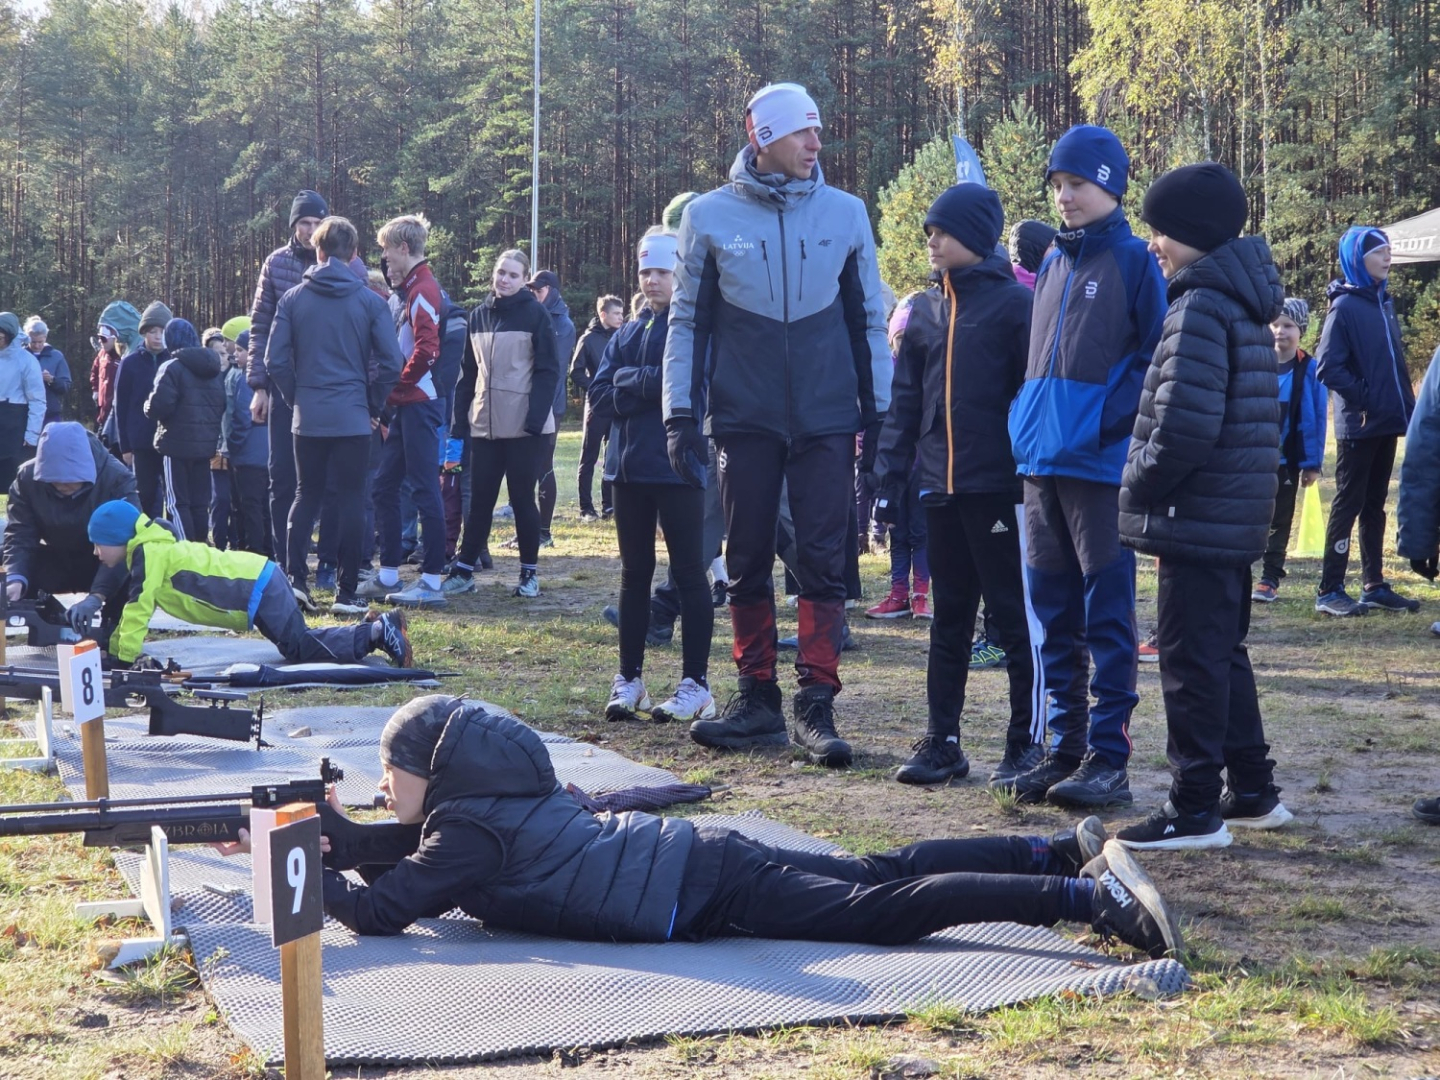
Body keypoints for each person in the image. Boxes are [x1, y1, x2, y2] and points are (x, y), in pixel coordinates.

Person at [210, 695, 1182, 961]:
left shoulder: (466, 834)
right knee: (874, 865)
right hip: (700, 866)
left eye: (393, 773)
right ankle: (1053, 849)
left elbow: (386, 912)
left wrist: (283, 860)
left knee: (883, 911)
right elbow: (409, 857)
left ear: (441, 775)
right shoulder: (487, 807)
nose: (384, 787)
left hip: (700, 892)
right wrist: (329, 829)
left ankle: (1089, 901)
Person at [663, 82, 891, 768]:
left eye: (817, 133)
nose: (816, 145)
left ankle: (815, 704)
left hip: (825, 416)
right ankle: (756, 698)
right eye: (802, 134)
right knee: (747, 556)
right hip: (744, 417)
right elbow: (687, 324)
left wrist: (878, 415)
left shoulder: (848, 213)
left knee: (824, 560)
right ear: (763, 138)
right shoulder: (706, 216)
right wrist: (679, 413)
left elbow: (867, 320)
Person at [1113, 162, 1293, 849]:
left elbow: (1182, 426)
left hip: (1195, 515)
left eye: (1162, 230)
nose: (1153, 242)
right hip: (1228, 515)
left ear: (1193, 233)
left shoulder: (1199, 307)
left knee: (1190, 660)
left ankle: (1194, 809)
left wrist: (1137, 483)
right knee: (1223, 653)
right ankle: (1251, 790)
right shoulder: (1238, 302)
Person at [1005, 125, 1167, 809]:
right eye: (1059, 185)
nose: (1066, 197)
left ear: (1112, 185)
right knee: (1053, 614)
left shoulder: (1135, 261)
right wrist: (1024, 418)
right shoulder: (1051, 264)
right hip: (1040, 464)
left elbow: (1157, 358)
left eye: (1079, 183)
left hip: (1099, 469)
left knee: (1106, 616)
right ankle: (1064, 749)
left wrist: (1110, 423)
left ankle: (1108, 759)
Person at [876, 184, 1041, 788]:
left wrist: (1029, 479)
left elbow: (1033, 400)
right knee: (949, 619)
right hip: (938, 491)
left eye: (941, 231)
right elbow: (903, 405)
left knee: (1012, 618)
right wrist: (889, 482)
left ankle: (1026, 742)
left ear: (974, 236)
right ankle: (943, 742)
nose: (931, 241)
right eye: (928, 232)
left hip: (999, 490)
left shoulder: (1015, 308)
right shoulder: (922, 310)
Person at [588, 228, 715, 724]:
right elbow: (599, 396)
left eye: (662, 270)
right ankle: (630, 679)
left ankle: (696, 683)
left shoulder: (693, 327)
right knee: (634, 573)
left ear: (680, 272)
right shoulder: (627, 330)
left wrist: (629, 381)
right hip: (627, 468)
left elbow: (685, 384)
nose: (653, 280)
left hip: (678, 465)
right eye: (646, 271)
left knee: (687, 573)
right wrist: (638, 384)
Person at [264, 216, 404, 615]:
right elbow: (392, 362)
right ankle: (346, 591)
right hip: (354, 417)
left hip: (308, 415)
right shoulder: (370, 301)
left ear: (318, 251)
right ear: (355, 254)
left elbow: (275, 361)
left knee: (304, 494)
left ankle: (296, 581)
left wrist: (297, 399)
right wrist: (372, 404)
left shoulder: (292, 299)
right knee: (351, 499)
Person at [88, 499, 413, 670]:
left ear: (119, 538)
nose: (96, 551)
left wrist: (124, 658)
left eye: (99, 543)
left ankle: (376, 633)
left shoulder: (149, 553)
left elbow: (138, 608)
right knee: (298, 642)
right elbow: (130, 606)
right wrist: (112, 648)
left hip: (257, 588)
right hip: (259, 579)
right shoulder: (151, 548)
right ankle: (372, 628)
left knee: (299, 648)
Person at [246, 189, 367, 574]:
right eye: (304, 222)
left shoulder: (352, 267)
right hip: (286, 389)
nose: (310, 229)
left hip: (335, 391)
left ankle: (329, 562)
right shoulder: (276, 263)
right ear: (294, 225)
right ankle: (286, 565)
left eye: (316, 222)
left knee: (334, 484)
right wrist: (260, 386)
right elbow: (260, 326)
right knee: (283, 479)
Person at [1314, 226, 1419, 616]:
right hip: (1358, 423)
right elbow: (1328, 368)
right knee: (1349, 502)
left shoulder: (1383, 302)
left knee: (1375, 504)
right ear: (1359, 259)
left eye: (1389, 250)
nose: (1387, 256)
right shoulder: (1344, 307)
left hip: (1387, 420)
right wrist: (1367, 398)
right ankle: (1329, 590)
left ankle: (1373, 584)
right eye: (1378, 251)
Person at [444, 249, 560, 599]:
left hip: (525, 427)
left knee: (523, 499)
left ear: (524, 278)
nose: (504, 279)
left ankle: (529, 574)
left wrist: (535, 419)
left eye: (512, 274)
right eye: (500, 273)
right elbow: (468, 377)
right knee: (479, 500)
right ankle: (464, 570)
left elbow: (548, 371)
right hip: (485, 425)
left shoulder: (536, 315)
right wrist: (457, 429)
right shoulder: (477, 317)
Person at [356, 214, 449, 609]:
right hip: (409, 406)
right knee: (384, 485)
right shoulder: (413, 288)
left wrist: (395, 389)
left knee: (426, 489)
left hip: (420, 406)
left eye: (387, 251)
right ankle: (390, 573)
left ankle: (431, 581)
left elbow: (428, 350)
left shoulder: (423, 288)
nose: (384, 260)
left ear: (404, 249)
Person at [3, 423, 141, 632]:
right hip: (56, 559)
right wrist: (15, 579)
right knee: (8, 562)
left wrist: (97, 597)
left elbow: (129, 540)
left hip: (103, 561)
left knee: (136, 560)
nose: (63, 484)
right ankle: (42, 618)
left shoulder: (117, 478)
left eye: (71, 479)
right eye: (55, 480)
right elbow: (20, 534)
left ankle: (115, 628)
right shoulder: (26, 478)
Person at [1253, 299, 1325, 602]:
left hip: (1286, 460)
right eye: (1275, 325)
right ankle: (1239, 568)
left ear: (1301, 330)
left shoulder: (1310, 369)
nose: (1280, 331)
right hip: (1253, 458)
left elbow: (1316, 419)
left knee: (1279, 519)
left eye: (1288, 325)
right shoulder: (1255, 363)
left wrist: (1311, 463)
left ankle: (1270, 577)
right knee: (1249, 515)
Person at [866, 297, 930, 622]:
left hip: (923, 465)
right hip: (895, 468)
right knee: (897, 531)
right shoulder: (886, 374)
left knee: (920, 532)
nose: (905, 347)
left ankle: (921, 594)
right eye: (899, 340)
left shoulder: (928, 372)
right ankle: (898, 593)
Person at [145, 319, 225, 544]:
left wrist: (146, 406)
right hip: (205, 446)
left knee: (176, 502)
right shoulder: (214, 368)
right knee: (200, 502)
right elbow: (221, 404)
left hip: (175, 445)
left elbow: (159, 405)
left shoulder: (172, 367)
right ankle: (200, 545)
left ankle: (185, 548)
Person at [526, 270, 577, 547]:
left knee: (544, 465)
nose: (534, 293)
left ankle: (544, 532)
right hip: (529, 401)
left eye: (540, 290)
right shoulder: (534, 315)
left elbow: (550, 366)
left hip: (550, 405)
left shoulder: (563, 324)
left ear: (552, 291)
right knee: (528, 467)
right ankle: (532, 531)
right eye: (532, 289)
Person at [114, 302, 173, 517]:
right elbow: (121, 407)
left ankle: (172, 538)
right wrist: (126, 447)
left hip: (170, 440)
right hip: (141, 442)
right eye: (152, 331)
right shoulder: (130, 363)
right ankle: (147, 538)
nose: (158, 337)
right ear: (144, 333)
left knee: (173, 495)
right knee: (144, 494)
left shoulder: (175, 361)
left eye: (163, 331)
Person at [572, 295, 625, 520]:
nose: (621, 318)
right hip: (596, 406)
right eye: (616, 314)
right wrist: (595, 388)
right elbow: (575, 372)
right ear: (603, 314)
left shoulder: (624, 337)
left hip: (618, 404)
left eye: (622, 314)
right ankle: (586, 508)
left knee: (613, 456)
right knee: (589, 456)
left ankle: (609, 506)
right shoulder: (588, 339)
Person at [225, 329, 271, 556]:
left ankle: (254, 552)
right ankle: (268, 551)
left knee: (249, 505)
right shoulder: (266, 377)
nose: (237, 354)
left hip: (249, 452)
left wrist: (232, 444)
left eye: (241, 350)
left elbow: (243, 416)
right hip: (264, 451)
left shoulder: (246, 380)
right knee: (262, 505)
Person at [0, 312, 46, 490]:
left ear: (10, 336)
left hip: (16, 430)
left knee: (17, 485)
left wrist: (32, 435)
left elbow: (37, 401)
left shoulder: (27, 361)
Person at [94, 301, 140, 453]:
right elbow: (96, 373)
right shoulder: (126, 350)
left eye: (105, 337)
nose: (101, 342)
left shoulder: (139, 352)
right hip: (110, 415)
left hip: (133, 424)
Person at [24, 317, 71, 426]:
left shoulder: (56, 356)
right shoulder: (20, 356)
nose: (36, 345)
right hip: (24, 412)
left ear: (45, 337)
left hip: (50, 413)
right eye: (33, 342)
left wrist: (51, 379)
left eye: (40, 342)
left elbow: (66, 386)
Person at [1008, 219, 1059, 291]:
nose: (1055, 250)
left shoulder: (1047, 282)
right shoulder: (1015, 288)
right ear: (1033, 249)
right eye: (1051, 246)